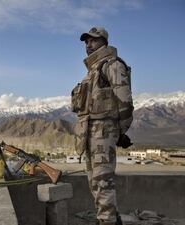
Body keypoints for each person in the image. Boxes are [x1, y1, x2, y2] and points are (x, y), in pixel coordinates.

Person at [71, 27, 134, 225]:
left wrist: (119, 131)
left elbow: (125, 102)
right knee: (96, 184)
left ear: (104, 42)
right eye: (86, 42)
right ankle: (110, 220)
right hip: (89, 135)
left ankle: (106, 221)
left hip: (103, 133)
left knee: (103, 183)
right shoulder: (92, 71)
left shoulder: (112, 65)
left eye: (93, 41)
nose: (88, 45)